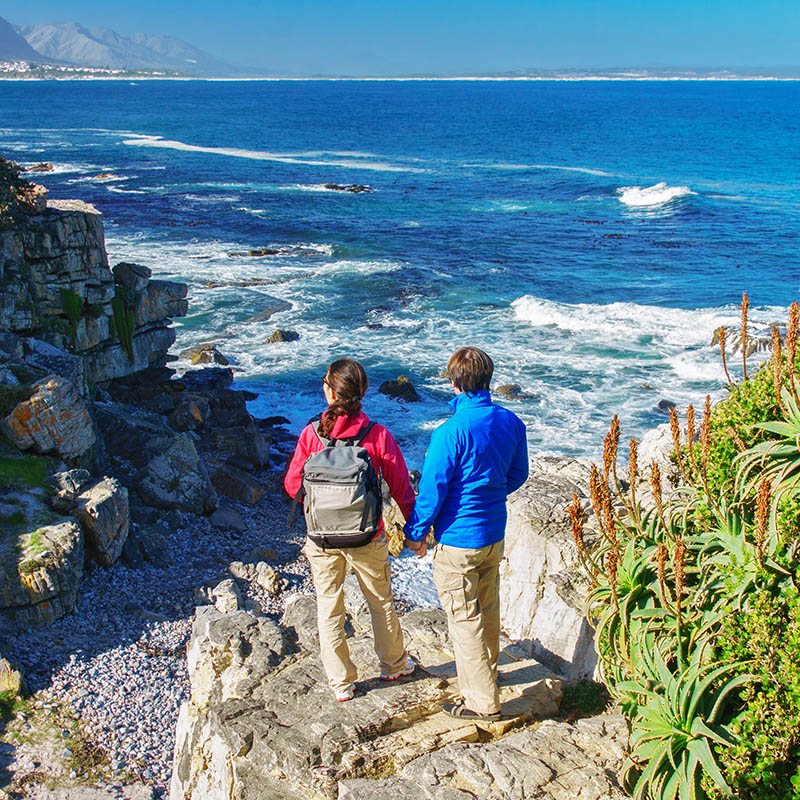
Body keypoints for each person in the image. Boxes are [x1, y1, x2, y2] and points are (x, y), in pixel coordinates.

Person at [404, 347, 528, 720]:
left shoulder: (449, 433)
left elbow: (432, 490)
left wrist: (416, 533)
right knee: (488, 610)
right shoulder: (511, 422)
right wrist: (487, 494)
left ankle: (481, 702)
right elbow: (517, 474)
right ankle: (487, 675)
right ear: (488, 379)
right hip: (493, 534)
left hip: (459, 540)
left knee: (464, 620)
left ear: (455, 383)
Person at [285, 358, 417, 702]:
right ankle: (394, 664)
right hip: (368, 534)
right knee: (380, 602)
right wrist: (416, 531)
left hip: (322, 538)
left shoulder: (311, 434)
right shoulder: (377, 435)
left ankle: (341, 683)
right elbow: (401, 488)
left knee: (329, 606)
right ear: (363, 393)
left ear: (329, 391)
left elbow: (291, 485)